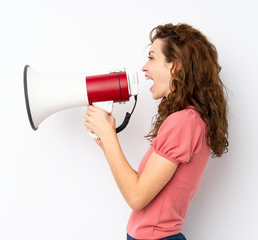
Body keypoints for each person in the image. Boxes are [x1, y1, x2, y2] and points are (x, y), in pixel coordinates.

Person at [83, 23, 229, 240]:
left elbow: (136, 196)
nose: (144, 67)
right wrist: (106, 141)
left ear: (176, 66)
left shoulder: (184, 122)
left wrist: (108, 135)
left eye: (151, 57)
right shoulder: (189, 119)